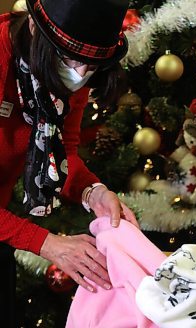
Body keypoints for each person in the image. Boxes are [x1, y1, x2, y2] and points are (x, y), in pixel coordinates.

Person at [0, 0, 138, 325]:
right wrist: (48, 243)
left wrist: (93, 191)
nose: (79, 75)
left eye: (91, 66)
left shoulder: (71, 65)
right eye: (72, 59)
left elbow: (64, 151)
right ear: (34, 28)